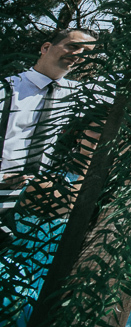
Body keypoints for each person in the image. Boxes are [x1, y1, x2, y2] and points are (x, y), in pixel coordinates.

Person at [2, 29, 96, 216]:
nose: (78, 55)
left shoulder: (81, 96)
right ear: (45, 47)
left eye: (86, 53)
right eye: (73, 46)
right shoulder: (6, 90)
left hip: (48, 198)